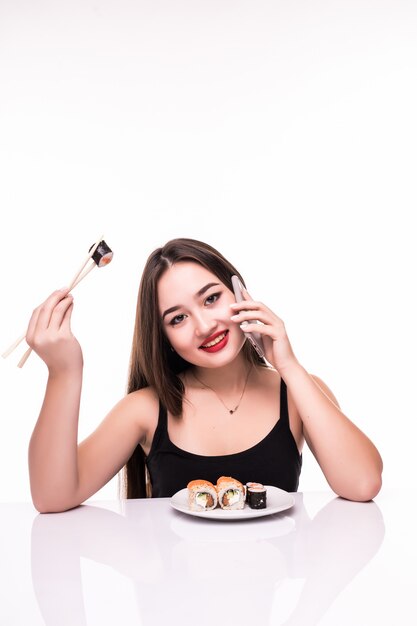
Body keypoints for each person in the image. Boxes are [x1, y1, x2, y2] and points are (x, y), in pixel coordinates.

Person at [27, 238, 383, 512]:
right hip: (177, 604)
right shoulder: (146, 409)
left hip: (265, 604)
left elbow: (363, 483)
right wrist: (64, 373)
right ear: (163, 336)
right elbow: (52, 496)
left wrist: (288, 365)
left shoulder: (297, 392)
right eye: (178, 318)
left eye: (211, 298)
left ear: (239, 292)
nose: (203, 326)